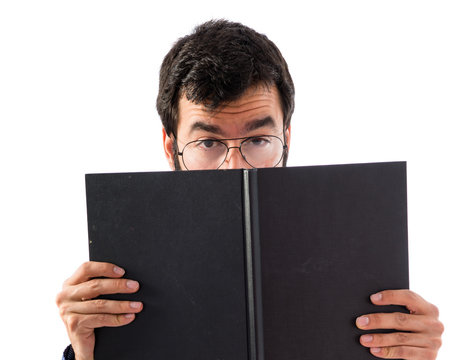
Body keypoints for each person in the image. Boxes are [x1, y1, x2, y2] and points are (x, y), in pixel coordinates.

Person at [56, 19, 444, 360]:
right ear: (170, 147)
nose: (236, 167)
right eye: (208, 144)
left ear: (286, 138)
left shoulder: (354, 248)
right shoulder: (123, 268)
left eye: (258, 140)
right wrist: (85, 356)